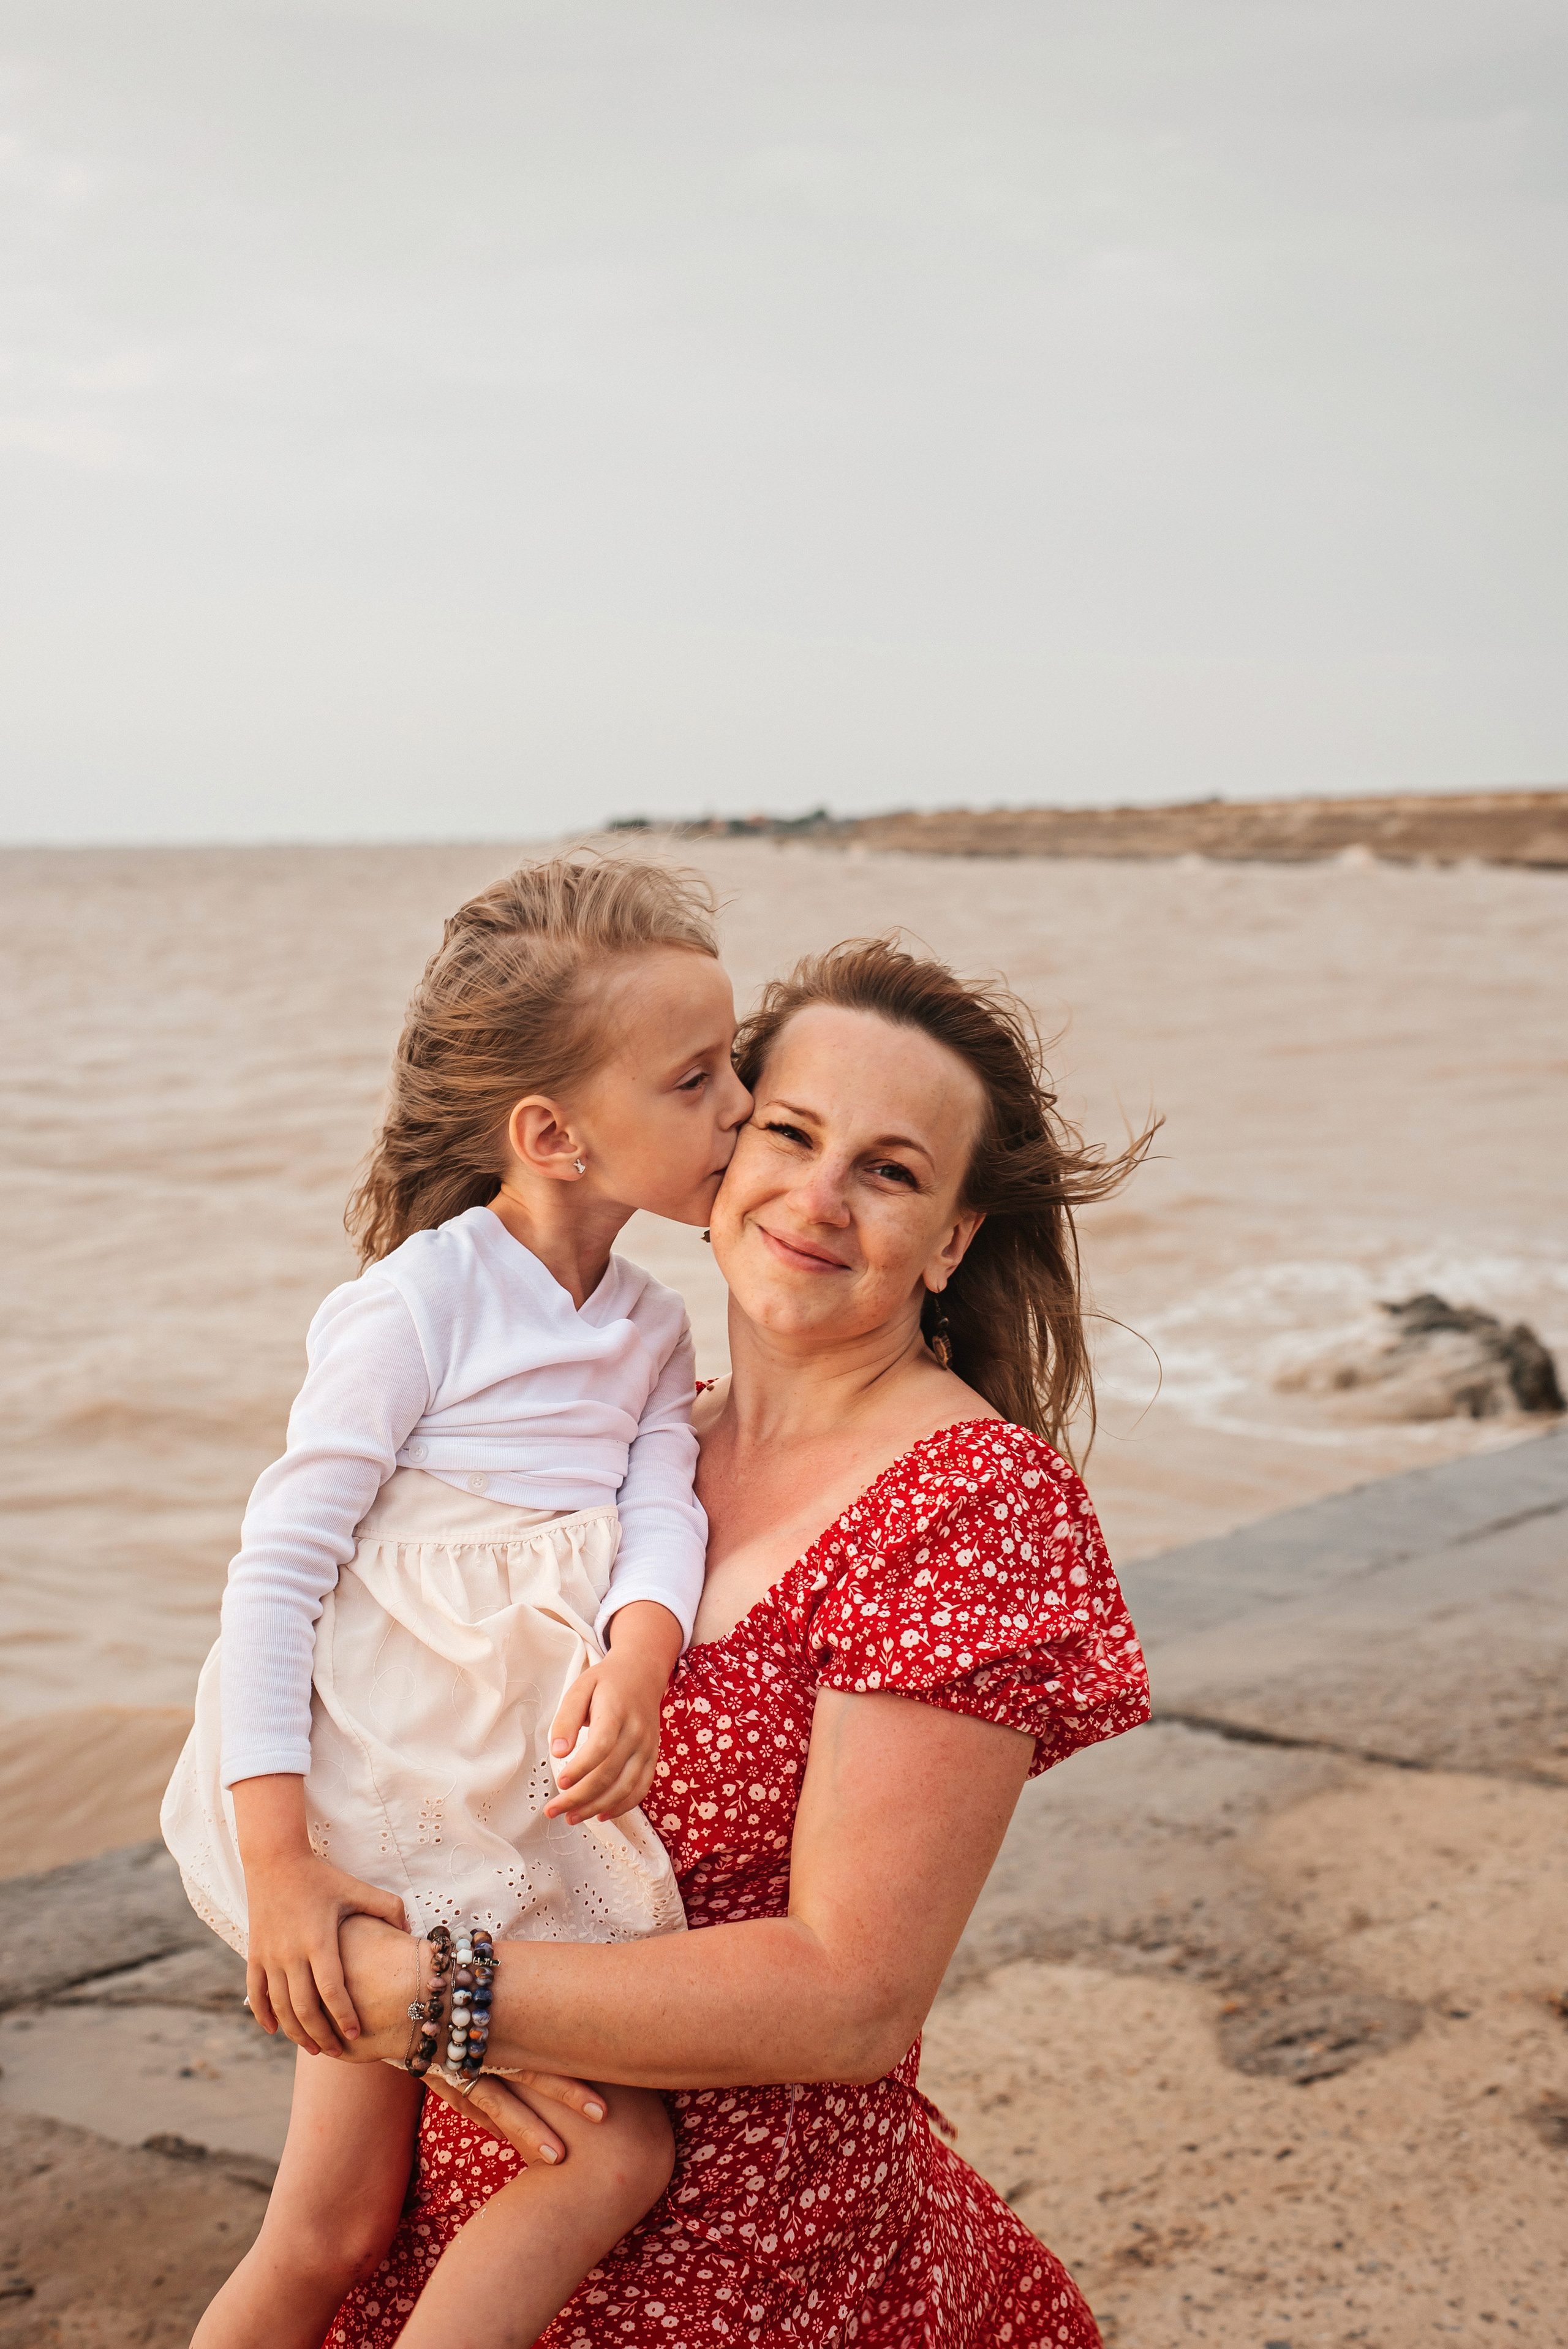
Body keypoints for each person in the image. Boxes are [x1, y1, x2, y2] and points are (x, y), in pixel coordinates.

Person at [317, 934, 1155, 2348]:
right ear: (719, 1147)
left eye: (889, 1171)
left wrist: (422, 1994)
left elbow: (847, 1997)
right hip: (454, 2233)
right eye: (790, 1131)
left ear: (952, 1239)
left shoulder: (967, 1503)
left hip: (750, 2280)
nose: (817, 1198)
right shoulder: (615, 1436)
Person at [160, 854, 753, 2348]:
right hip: (371, 1799)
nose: (741, 1107)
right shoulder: (416, 1302)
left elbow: (658, 1506)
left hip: (514, 1790)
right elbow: (280, 1565)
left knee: (356, 2213)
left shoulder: (648, 1321)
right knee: (366, 2217)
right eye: (695, 1079)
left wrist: (639, 1653)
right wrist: (279, 1859)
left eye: (732, 1063)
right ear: (550, 1133)